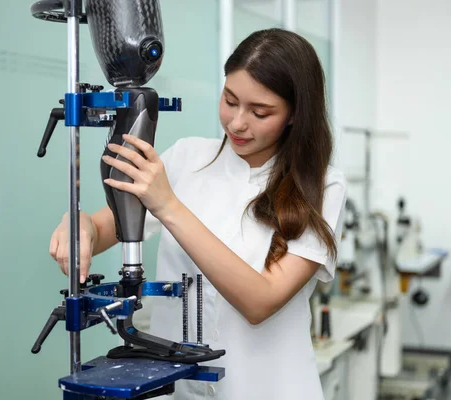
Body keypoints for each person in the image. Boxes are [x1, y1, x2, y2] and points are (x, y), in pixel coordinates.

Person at [49, 28, 347, 400]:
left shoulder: (321, 186)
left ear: (293, 115)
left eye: (260, 112)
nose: (237, 123)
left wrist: (169, 206)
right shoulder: (188, 158)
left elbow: (260, 301)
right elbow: (105, 226)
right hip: (176, 390)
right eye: (230, 100)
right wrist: (79, 224)